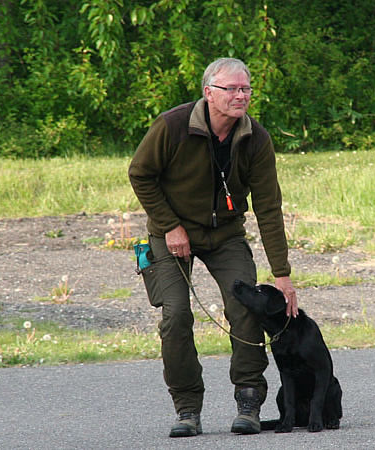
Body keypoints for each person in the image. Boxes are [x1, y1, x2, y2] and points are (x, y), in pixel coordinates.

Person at [128, 57, 298, 437]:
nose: (241, 96)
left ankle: (249, 398)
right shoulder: (172, 126)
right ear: (209, 93)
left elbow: (269, 207)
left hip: (225, 236)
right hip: (169, 235)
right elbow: (140, 173)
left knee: (247, 309)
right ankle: (187, 408)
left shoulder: (256, 138)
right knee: (175, 317)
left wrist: (283, 274)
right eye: (231, 89)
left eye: (246, 89)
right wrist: (170, 226)